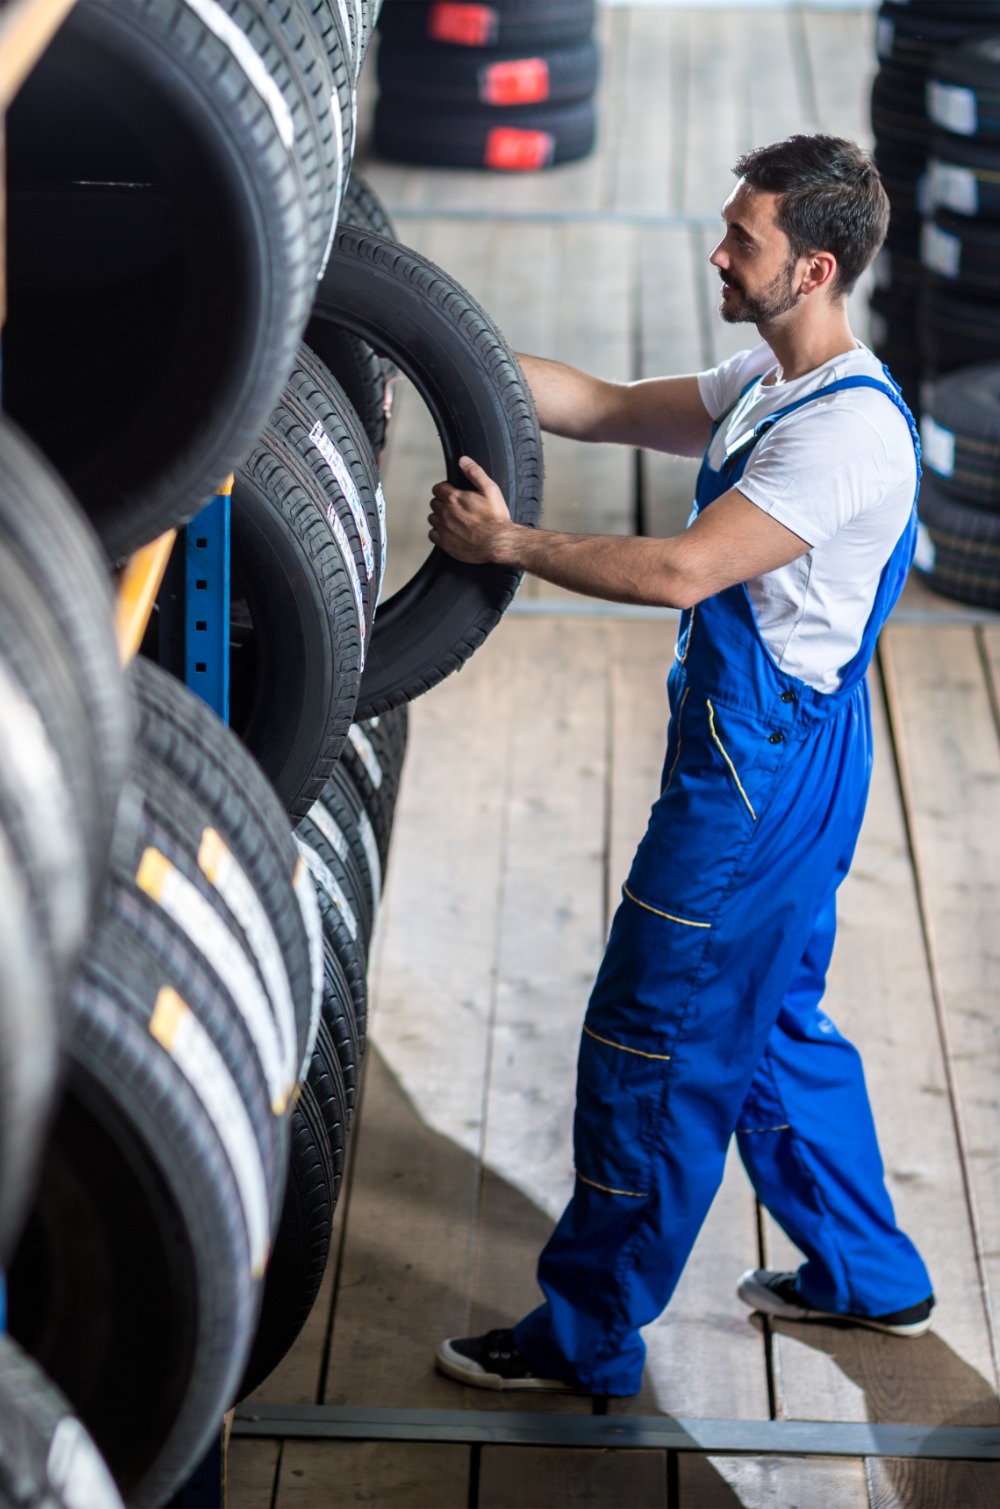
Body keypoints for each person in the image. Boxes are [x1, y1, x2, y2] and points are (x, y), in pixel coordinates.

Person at [428, 134, 935, 1398]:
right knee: (765, 1022)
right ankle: (871, 1277)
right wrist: (426, 348)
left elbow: (679, 571)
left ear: (813, 267)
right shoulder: (771, 379)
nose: (719, 250)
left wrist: (510, 544)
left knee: (652, 1038)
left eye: (743, 239)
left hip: (757, 778)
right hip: (790, 754)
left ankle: (586, 1333)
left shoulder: (846, 437)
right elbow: (594, 403)